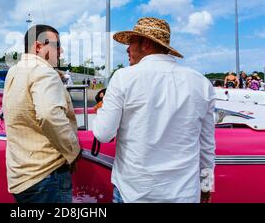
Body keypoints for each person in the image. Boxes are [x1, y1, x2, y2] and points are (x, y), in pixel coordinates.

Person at [93, 17, 216, 203]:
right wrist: (206, 185)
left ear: (146, 44)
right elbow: (207, 146)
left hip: (134, 192)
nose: (127, 49)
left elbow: (103, 134)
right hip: (185, 193)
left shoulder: (123, 78)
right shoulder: (201, 83)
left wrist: (102, 108)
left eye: (131, 42)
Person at [3, 24, 81, 203]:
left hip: (21, 175)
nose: (60, 52)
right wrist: (74, 151)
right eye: (57, 45)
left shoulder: (14, 71)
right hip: (47, 175)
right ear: (38, 46)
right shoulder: (44, 72)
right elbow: (48, 115)